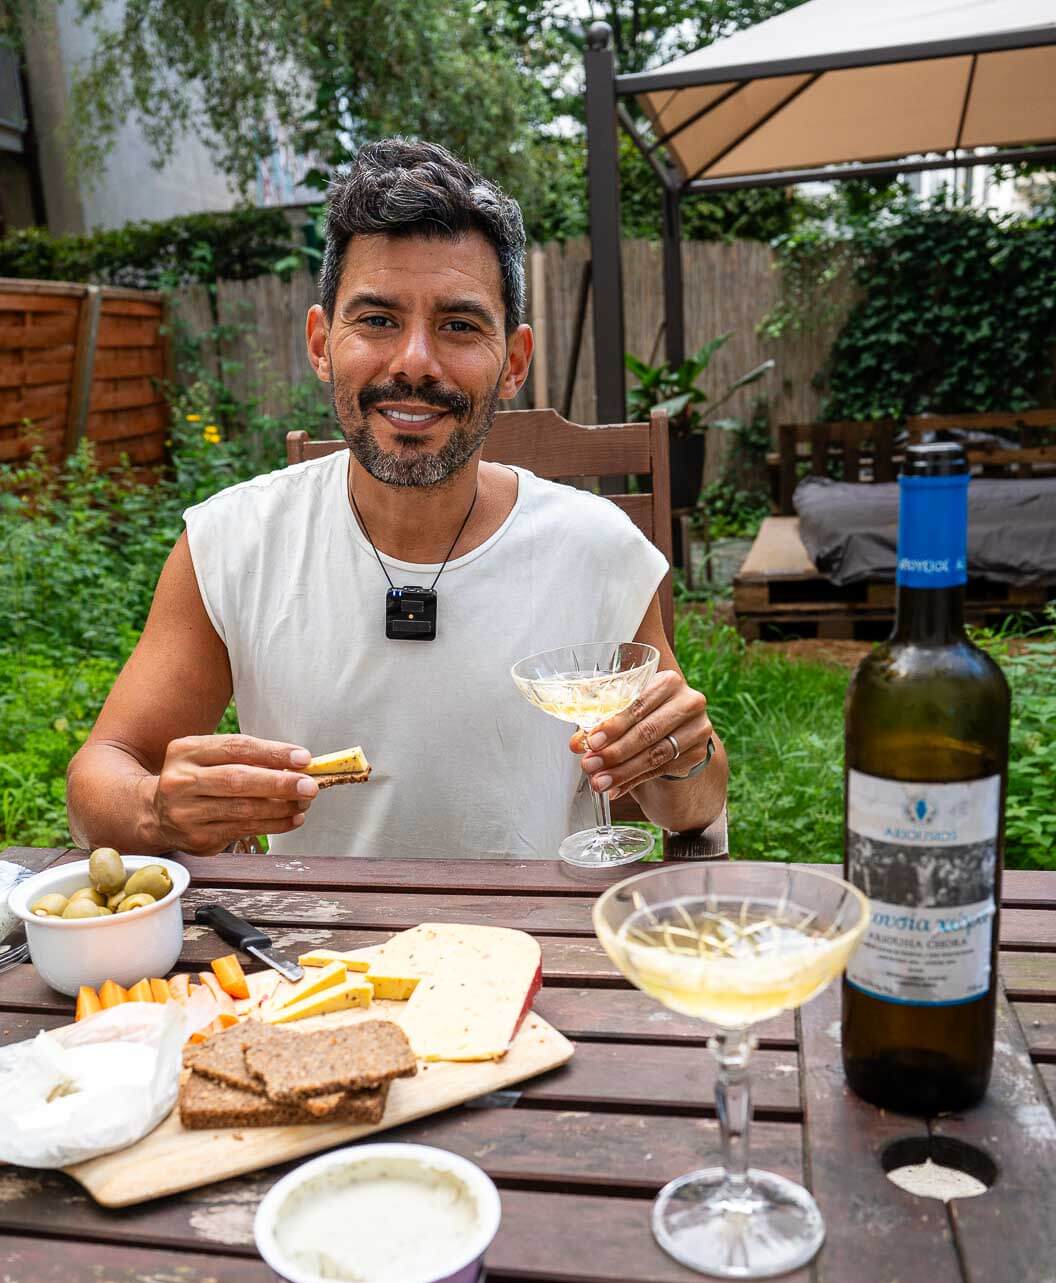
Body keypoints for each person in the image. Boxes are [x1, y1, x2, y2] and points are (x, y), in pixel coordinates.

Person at [67, 139, 727, 859]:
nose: (414, 361)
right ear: (321, 343)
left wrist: (679, 759)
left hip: (534, 955)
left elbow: (692, 803)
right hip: (312, 965)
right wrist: (155, 809)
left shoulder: (596, 551)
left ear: (514, 362)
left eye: (459, 325)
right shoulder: (231, 546)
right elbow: (100, 774)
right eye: (378, 320)